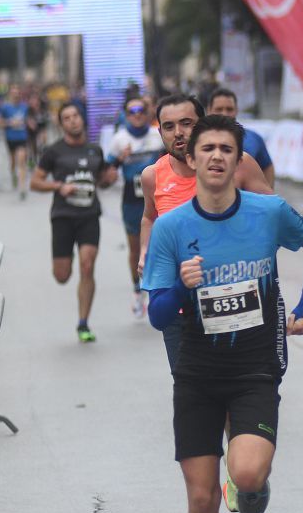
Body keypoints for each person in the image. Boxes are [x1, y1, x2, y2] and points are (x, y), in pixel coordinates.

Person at [142, 114, 303, 513]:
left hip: (253, 368)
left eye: (227, 148)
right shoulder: (173, 228)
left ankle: (254, 481)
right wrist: (180, 288)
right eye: (208, 148)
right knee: (201, 499)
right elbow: (158, 315)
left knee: (244, 474)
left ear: (238, 159)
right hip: (197, 372)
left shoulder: (268, 213)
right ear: (193, 158)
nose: (217, 156)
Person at [139, 93, 272, 371]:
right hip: (181, 309)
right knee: (196, 397)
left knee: (236, 392)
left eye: (187, 123)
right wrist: (145, 251)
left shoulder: (239, 163)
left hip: (236, 299)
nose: (179, 133)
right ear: (160, 131)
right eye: (169, 126)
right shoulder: (153, 175)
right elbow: (149, 218)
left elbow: (274, 214)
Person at [29, 102, 118, 342]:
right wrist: (59, 186)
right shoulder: (53, 151)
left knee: (87, 266)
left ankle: (83, 323)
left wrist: (109, 179)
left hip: (89, 215)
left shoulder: (94, 150)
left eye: (75, 116)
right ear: (61, 124)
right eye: (66, 117)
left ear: (82, 118)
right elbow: (35, 182)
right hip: (63, 217)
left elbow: (101, 181)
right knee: (62, 275)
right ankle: (64, 268)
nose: (72, 121)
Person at [105, 96, 165, 317]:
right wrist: (121, 158)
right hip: (132, 199)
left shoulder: (156, 136)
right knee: (136, 249)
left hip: (159, 196)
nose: (137, 114)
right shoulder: (119, 139)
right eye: (132, 111)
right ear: (126, 115)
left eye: (141, 109)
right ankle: (137, 290)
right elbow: (107, 172)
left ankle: (159, 291)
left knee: (161, 246)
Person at [207, 88, 275, 186]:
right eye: (219, 109)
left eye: (229, 109)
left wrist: (268, 196)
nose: (225, 114)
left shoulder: (253, 139)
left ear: (236, 110)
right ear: (209, 111)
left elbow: (267, 166)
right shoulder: (199, 141)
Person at [0, 84, 30, 199]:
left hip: (22, 138)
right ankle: (13, 175)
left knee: (21, 162)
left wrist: (28, 123)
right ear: (10, 95)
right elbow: (0, 122)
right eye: (14, 93)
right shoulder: (5, 107)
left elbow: (27, 120)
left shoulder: (25, 107)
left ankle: (22, 188)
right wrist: (10, 123)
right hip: (10, 138)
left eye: (17, 93)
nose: (16, 95)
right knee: (13, 162)